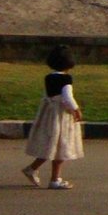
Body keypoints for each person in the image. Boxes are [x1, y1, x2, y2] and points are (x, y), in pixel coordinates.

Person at [22, 44, 84, 190]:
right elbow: (67, 97)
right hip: (61, 116)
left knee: (50, 146)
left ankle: (33, 169)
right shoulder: (66, 79)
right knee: (61, 148)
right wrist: (76, 109)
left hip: (49, 115)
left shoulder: (48, 77)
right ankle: (55, 179)